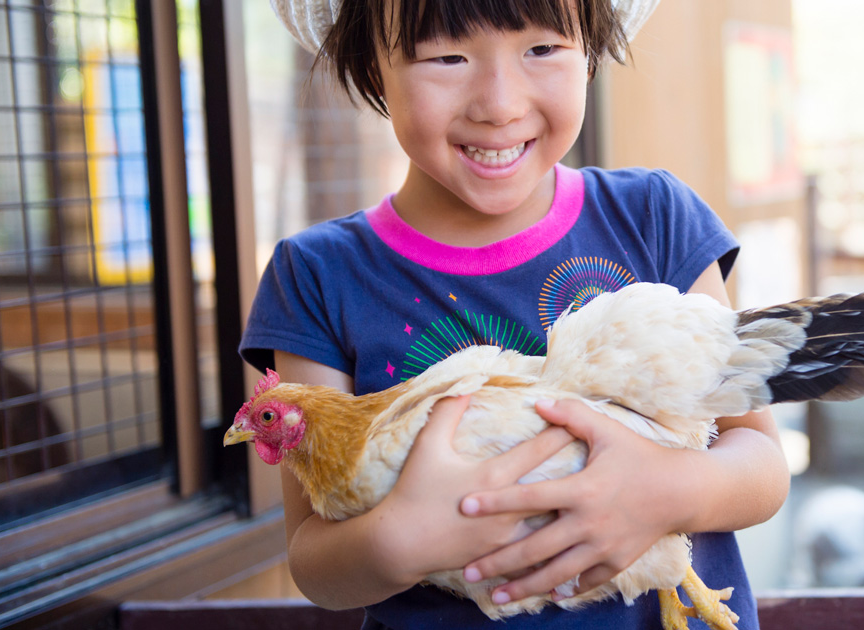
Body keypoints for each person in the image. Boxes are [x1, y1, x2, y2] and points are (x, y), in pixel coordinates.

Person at [240, 0, 790, 627]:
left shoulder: (654, 219)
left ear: (591, 49)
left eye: (542, 48)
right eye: (446, 56)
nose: (498, 103)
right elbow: (315, 563)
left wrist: (660, 491)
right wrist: (404, 537)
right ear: (372, 63)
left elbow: (759, 457)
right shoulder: (318, 276)